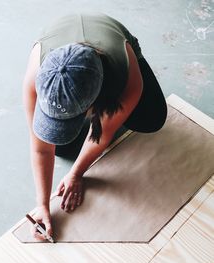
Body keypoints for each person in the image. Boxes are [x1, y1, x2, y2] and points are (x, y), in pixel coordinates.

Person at [22, 12, 167, 239]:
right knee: (60, 146)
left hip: (113, 40)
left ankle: (102, 112)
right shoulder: (35, 79)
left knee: (152, 118)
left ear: (95, 101)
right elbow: (41, 148)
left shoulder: (127, 82)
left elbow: (101, 135)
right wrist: (42, 205)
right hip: (62, 36)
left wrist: (76, 173)